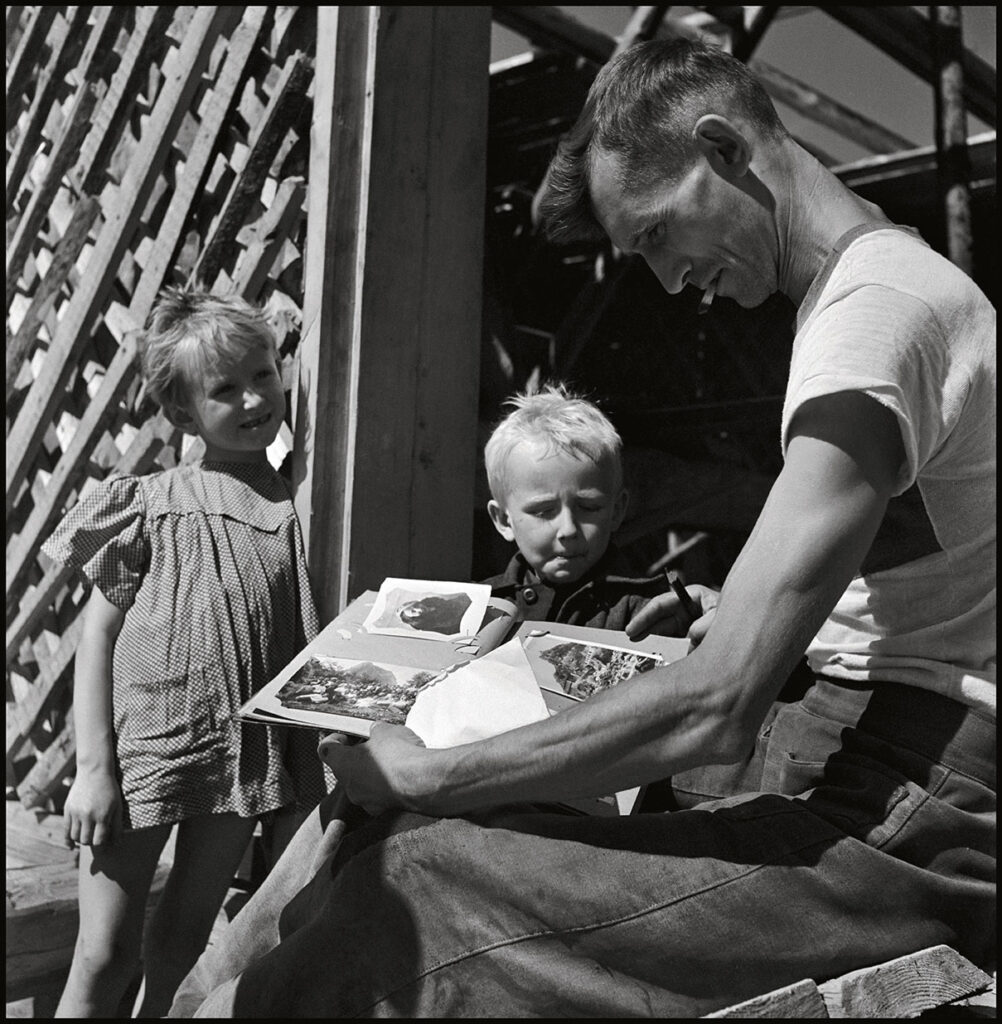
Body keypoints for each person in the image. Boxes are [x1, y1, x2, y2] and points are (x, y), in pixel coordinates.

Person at [175, 38, 994, 1018]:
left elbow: (719, 705)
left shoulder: (876, 316)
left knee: (433, 880)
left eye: (652, 234)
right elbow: (936, 571)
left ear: (723, 148)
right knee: (399, 820)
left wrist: (431, 771)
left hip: (916, 815)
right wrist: (743, 618)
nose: (662, 280)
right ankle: (211, 990)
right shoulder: (876, 297)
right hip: (858, 739)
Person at [43, 288, 327, 1017]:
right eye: (224, 389)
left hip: (240, 760)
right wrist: (94, 771)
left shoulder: (295, 501)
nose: (254, 397)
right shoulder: (155, 500)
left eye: (264, 375)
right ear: (181, 415)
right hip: (148, 755)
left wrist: (280, 335)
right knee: (103, 954)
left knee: (184, 940)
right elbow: (97, 638)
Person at [481, 383, 670, 629]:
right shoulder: (478, 610)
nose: (568, 530)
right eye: (543, 511)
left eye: (588, 508)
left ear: (616, 511)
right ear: (504, 520)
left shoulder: (651, 613)